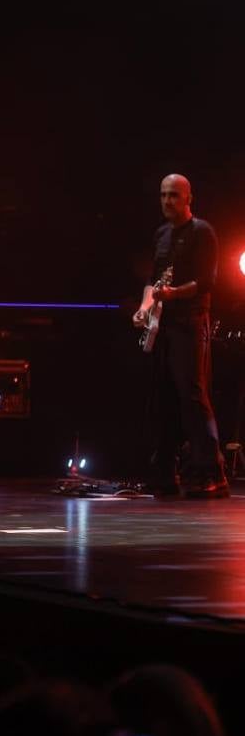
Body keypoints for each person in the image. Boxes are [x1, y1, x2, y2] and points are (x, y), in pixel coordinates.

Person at [132, 174, 229, 498]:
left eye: (173, 195)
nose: (167, 201)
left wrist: (174, 295)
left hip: (189, 322)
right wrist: (144, 309)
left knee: (192, 396)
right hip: (164, 326)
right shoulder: (161, 234)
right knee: (162, 399)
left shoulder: (202, 232)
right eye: (162, 195)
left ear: (189, 198)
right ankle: (164, 472)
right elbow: (152, 280)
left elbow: (206, 282)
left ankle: (210, 472)